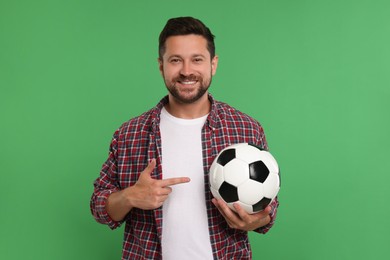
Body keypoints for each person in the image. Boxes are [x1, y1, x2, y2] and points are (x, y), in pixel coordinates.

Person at [90, 16, 279, 260]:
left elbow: (269, 207)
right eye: (175, 60)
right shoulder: (130, 135)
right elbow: (99, 206)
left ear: (213, 64)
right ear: (161, 66)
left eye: (197, 60)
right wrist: (129, 197)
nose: (186, 71)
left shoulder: (245, 129)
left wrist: (254, 221)